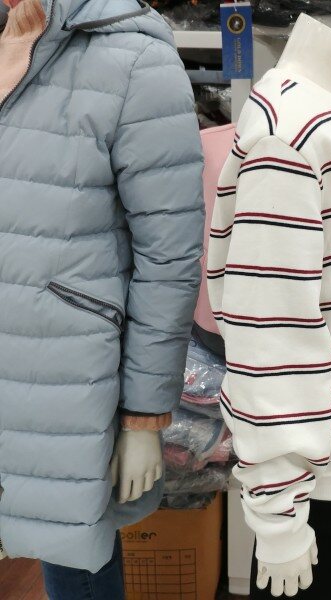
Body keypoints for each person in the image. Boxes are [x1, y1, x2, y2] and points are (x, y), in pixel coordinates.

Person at [0, 0, 204, 598]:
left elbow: (168, 259)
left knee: (73, 555)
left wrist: (143, 415)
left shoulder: (137, 61)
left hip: (66, 377)